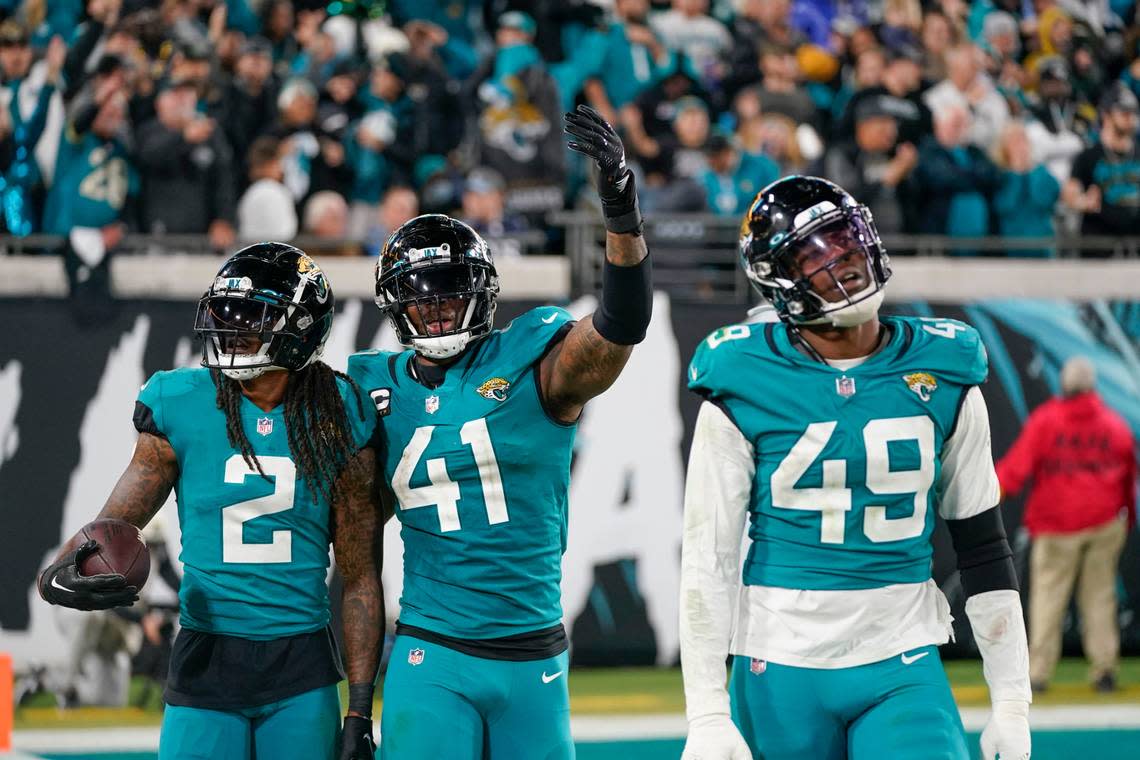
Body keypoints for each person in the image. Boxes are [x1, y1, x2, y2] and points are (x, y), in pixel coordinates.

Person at [679, 176, 1031, 760]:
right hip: (780, 662)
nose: (841, 260)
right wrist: (707, 712)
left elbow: (983, 546)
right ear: (780, 281)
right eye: (813, 255)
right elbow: (707, 557)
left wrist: (1012, 700)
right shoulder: (741, 377)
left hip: (902, 656)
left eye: (844, 238)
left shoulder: (944, 369)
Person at [348, 105, 651, 759]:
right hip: (433, 653)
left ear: (482, 292)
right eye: (420, 296)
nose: (434, 309)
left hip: (534, 651)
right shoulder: (370, 383)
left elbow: (620, 326)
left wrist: (621, 220)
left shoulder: (532, 357)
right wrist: (354, 706)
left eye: (448, 292)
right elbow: (353, 548)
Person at [38, 243, 384, 760]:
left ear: (301, 331)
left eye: (253, 319)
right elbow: (111, 526)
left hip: (300, 662)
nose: (232, 331)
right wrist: (59, 572)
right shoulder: (181, 401)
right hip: (206, 654)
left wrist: (359, 710)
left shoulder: (340, 413)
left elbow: (359, 575)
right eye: (227, 314)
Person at [996, 356, 1136, 694]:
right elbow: (1129, 478)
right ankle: (1104, 671)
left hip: (1057, 524)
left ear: (1064, 384)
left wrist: (987, 495)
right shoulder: (1113, 423)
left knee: (1048, 599)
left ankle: (1038, 675)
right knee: (1100, 598)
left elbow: (1015, 469)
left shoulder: (1047, 421)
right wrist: (1128, 516)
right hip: (1104, 523)